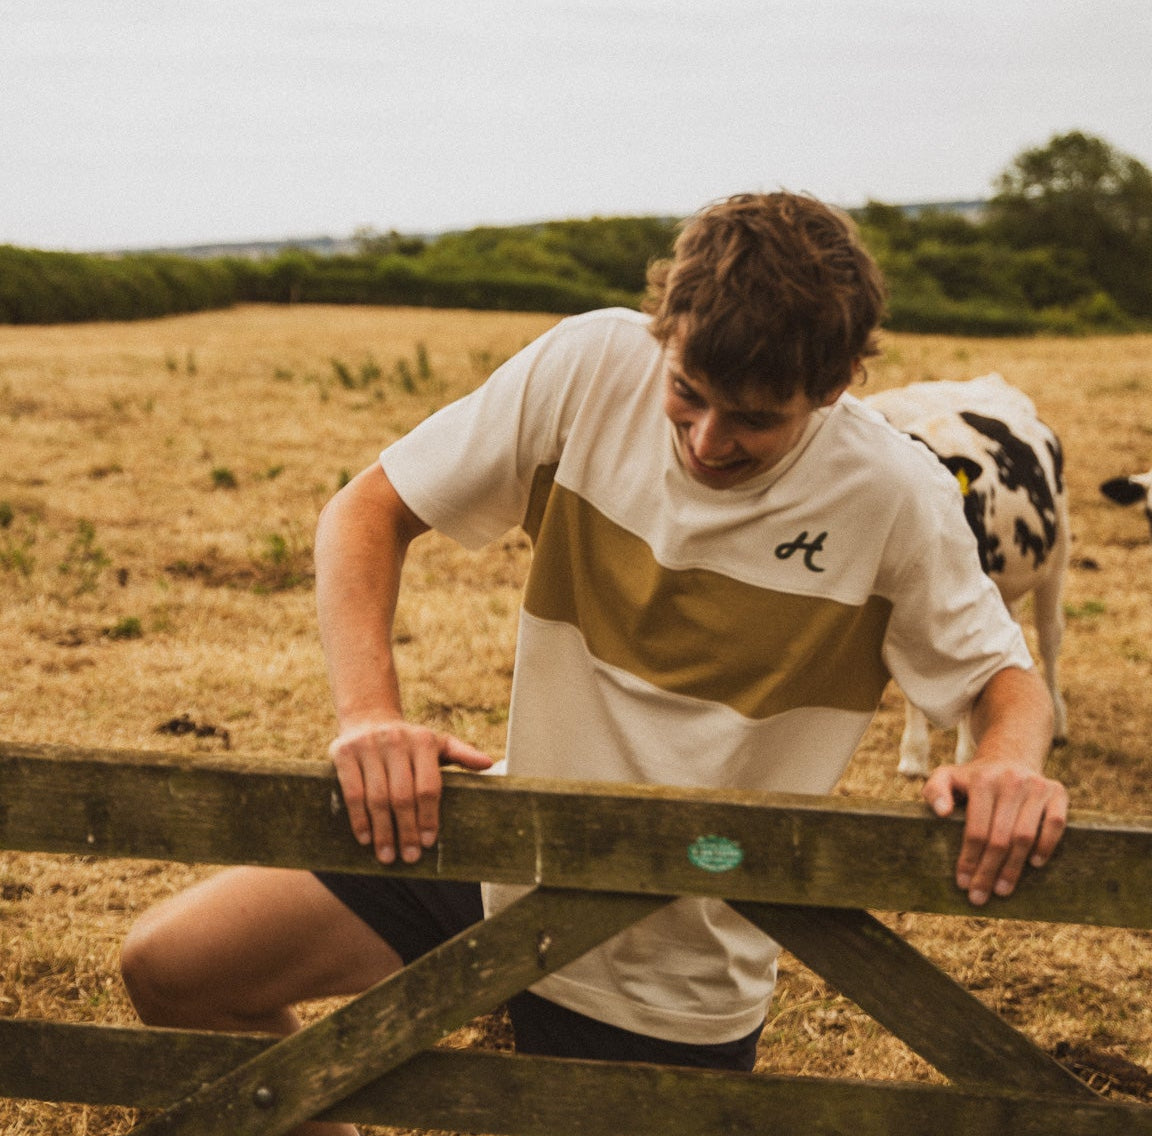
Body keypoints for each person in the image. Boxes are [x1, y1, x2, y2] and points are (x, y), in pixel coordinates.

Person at [120, 192, 1068, 1136]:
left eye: (752, 419)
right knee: (176, 967)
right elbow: (367, 512)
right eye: (688, 394)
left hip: (677, 949)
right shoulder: (586, 365)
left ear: (835, 385)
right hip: (506, 837)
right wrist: (369, 713)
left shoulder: (895, 494)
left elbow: (1005, 679)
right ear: (664, 330)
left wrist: (1007, 764)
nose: (705, 442)